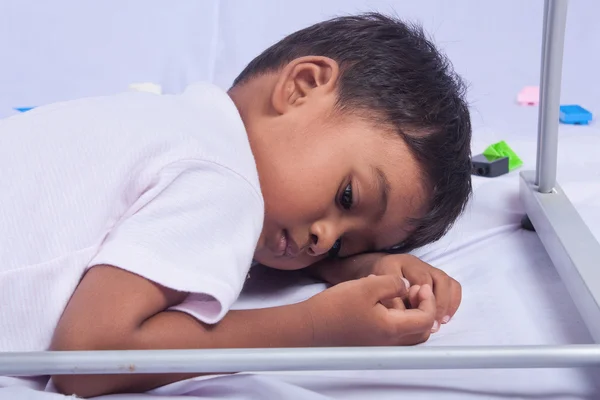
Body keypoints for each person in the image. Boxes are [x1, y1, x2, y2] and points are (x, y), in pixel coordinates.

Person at [0, 13, 471, 397]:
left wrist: (353, 269)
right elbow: (88, 359)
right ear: (302, 85)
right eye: (346, 197)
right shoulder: (225, 180)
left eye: (341, 246)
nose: (322, 239)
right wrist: (314, 327)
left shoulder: (180, 123)